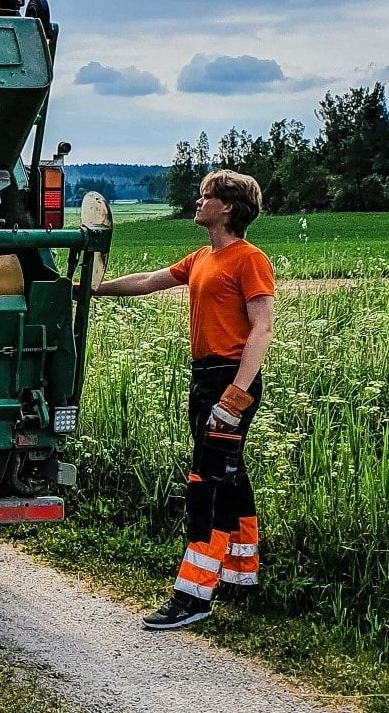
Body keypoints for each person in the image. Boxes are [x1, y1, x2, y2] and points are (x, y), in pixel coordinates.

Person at [93, 169, 275, 629]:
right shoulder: (202, 258)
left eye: (205, 196)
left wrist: (236, 395)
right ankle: (239, 575)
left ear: (228, 207)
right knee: (230, 477)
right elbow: (151, 279)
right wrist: (93, 289)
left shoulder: (248, 259)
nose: (197, 202)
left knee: (206, 483)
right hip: (205, 378)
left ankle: (193, 597)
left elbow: (262, 328)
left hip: (230, 380)